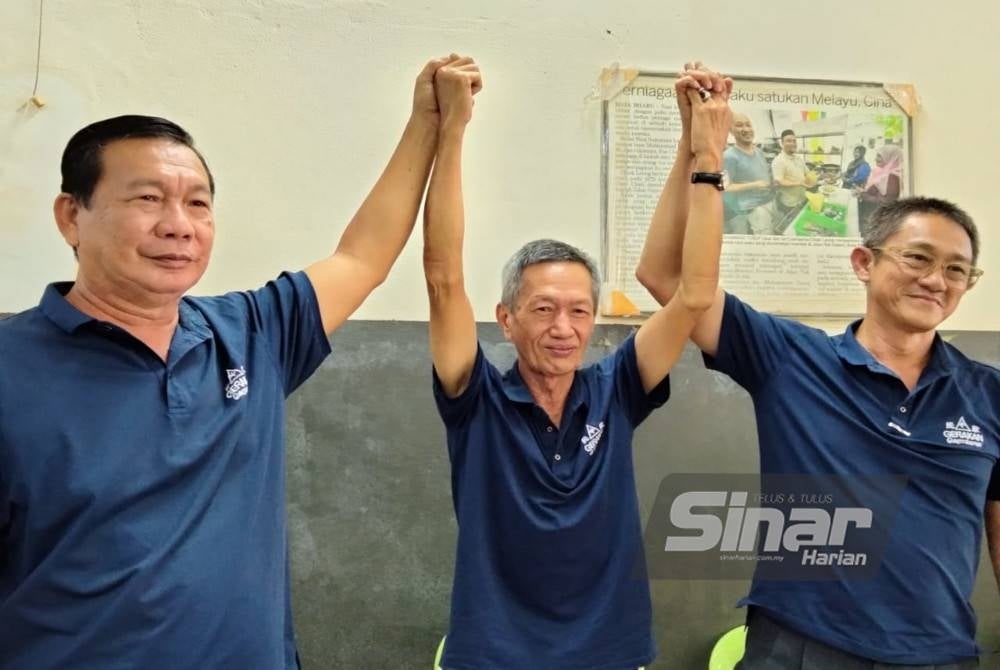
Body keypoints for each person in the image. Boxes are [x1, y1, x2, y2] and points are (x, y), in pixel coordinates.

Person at [0, 55, 468, 669]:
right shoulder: (13, 369)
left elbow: (362, 257)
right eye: (148, 198)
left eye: (198, 203)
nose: (178, 226)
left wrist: (427, 121)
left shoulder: (250, 333)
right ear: (72, 217)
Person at [638, 63, 999, 670]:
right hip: (801, 649)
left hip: (940, 655)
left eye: (957, 269)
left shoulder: (988, 394)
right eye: (917, 257)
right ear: (864, 261)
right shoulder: (788, 357)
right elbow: (666, 277)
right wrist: (697, 147)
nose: (936, 280)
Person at [423, 58, 732, 669]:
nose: (563, 329)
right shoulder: (475, 396)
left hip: (609, 649)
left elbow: (693, 294)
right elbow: (442, 275)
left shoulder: (616, 386)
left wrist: (701, 155)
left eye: (578, 311)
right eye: (542, 309)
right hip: (495, 653)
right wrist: (451, 128)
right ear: (506, 319)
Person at [722, 113, 773, 235]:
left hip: (769, 201)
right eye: (739, 125)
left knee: (771, 230)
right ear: (731, 131)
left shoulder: (759, 152)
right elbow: (726, 187)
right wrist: (754, 184)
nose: (746, 129)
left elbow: (761, 174)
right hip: (753, 207)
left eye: (748, 125)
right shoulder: (729, 156)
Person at [857, 143, 903, 235]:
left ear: (890, 157)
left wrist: (863, 194)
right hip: (871, 215)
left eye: (879, 156)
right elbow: (875, 189)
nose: (875, 159)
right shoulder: (881, 171)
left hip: (879, 220)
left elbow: (885, 202)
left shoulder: (893, 177)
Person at [769, 129, 810, 232]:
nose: (792, 143)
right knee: (792, 228)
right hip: (789, 204)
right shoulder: (778, 161)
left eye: (794, 141)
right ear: (782, 143)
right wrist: (799, 183)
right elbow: (779, 181)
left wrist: (819, 177)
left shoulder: (799, 158)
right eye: (788, 141)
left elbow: (807, 173)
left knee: (802, 224)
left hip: (802, 198)